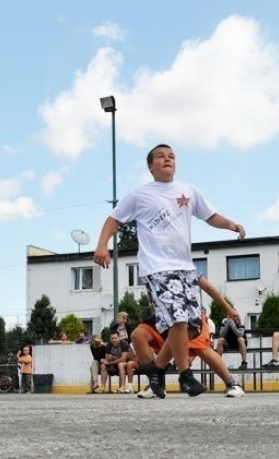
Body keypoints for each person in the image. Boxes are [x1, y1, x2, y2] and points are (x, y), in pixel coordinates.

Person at [94, 143, 246, 398]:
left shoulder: (189, 191)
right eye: (160, 157)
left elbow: (210, 216)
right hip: (157, 267)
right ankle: (186, 375)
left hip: (185, 266)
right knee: (177, 318)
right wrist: (102, 245)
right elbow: (114, 219)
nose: (167, 160)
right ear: (150, 166)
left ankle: (157, 368)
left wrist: (230, 224)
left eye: (172, 156)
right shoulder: (140, 193)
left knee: (190, 326)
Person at [132, 276, 245, 398]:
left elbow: (206, 285)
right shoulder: (152, 269)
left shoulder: (182, 264)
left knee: (201, 349)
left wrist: (229, 308)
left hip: (189, 315)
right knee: (137, 335)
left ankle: (232, 384)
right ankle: (156, 384)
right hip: (165, 316)